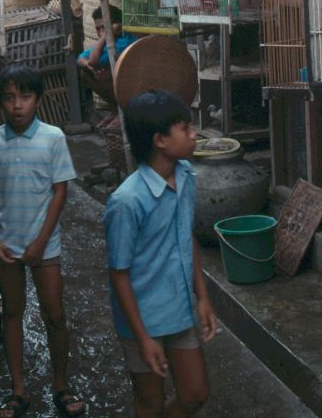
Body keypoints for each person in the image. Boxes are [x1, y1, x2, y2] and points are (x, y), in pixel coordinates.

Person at [0, 65, 86, 418]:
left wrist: (41, 242)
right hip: (7, 245)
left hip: (45, 246)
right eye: (9, 98)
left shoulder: (53, 138)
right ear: (0, 104)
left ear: (38, 100)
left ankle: (61, 385)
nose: (17, 105)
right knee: (12, 313)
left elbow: (60, 191)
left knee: (55, 315)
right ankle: (18, 390)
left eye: (25, 96)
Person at [103, 90, 217, 418]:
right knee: (149, 402)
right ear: (160, 140)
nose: (194, 135)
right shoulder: (127, 202)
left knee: (195, 393)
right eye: (185, 128)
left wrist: (202, 297)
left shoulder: (185, 176)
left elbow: (187, 237)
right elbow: (119, 273)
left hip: (178, 308)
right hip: (142, 319)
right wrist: (142, 337)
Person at [76, 7, 137, 104]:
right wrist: (87, 64)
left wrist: (106, 36)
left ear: (116, 26)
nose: (100, 33)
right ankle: (116, 108)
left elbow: (93, 61)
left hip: (133, 87)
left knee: (101, 74)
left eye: (104, 28)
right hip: (121, 85)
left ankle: (123, 109)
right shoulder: (106, 43)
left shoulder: (123, 42)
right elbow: (80, 58)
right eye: (97, 29)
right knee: (86, 73)